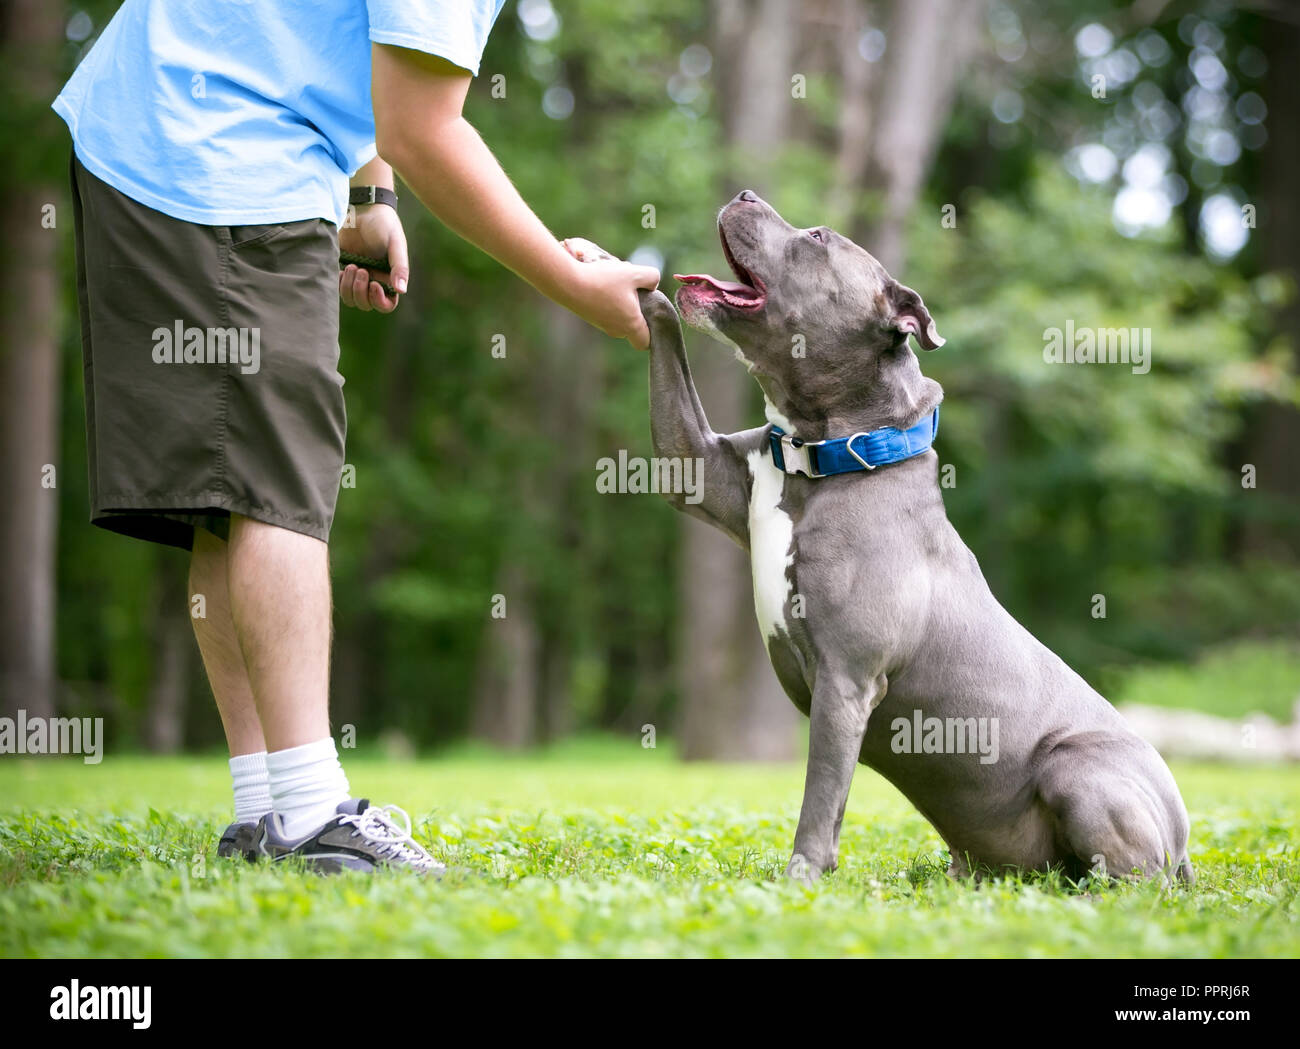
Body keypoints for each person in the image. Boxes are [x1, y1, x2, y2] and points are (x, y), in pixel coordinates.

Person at [53, 0, 659, 874]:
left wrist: (366, 194)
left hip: (155, 121)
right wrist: (571, 284)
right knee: (280, 484)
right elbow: (424, 129)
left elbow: (365, 48)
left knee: (232, 489)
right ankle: (309, 813)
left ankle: (264, 806)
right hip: (221, 143)